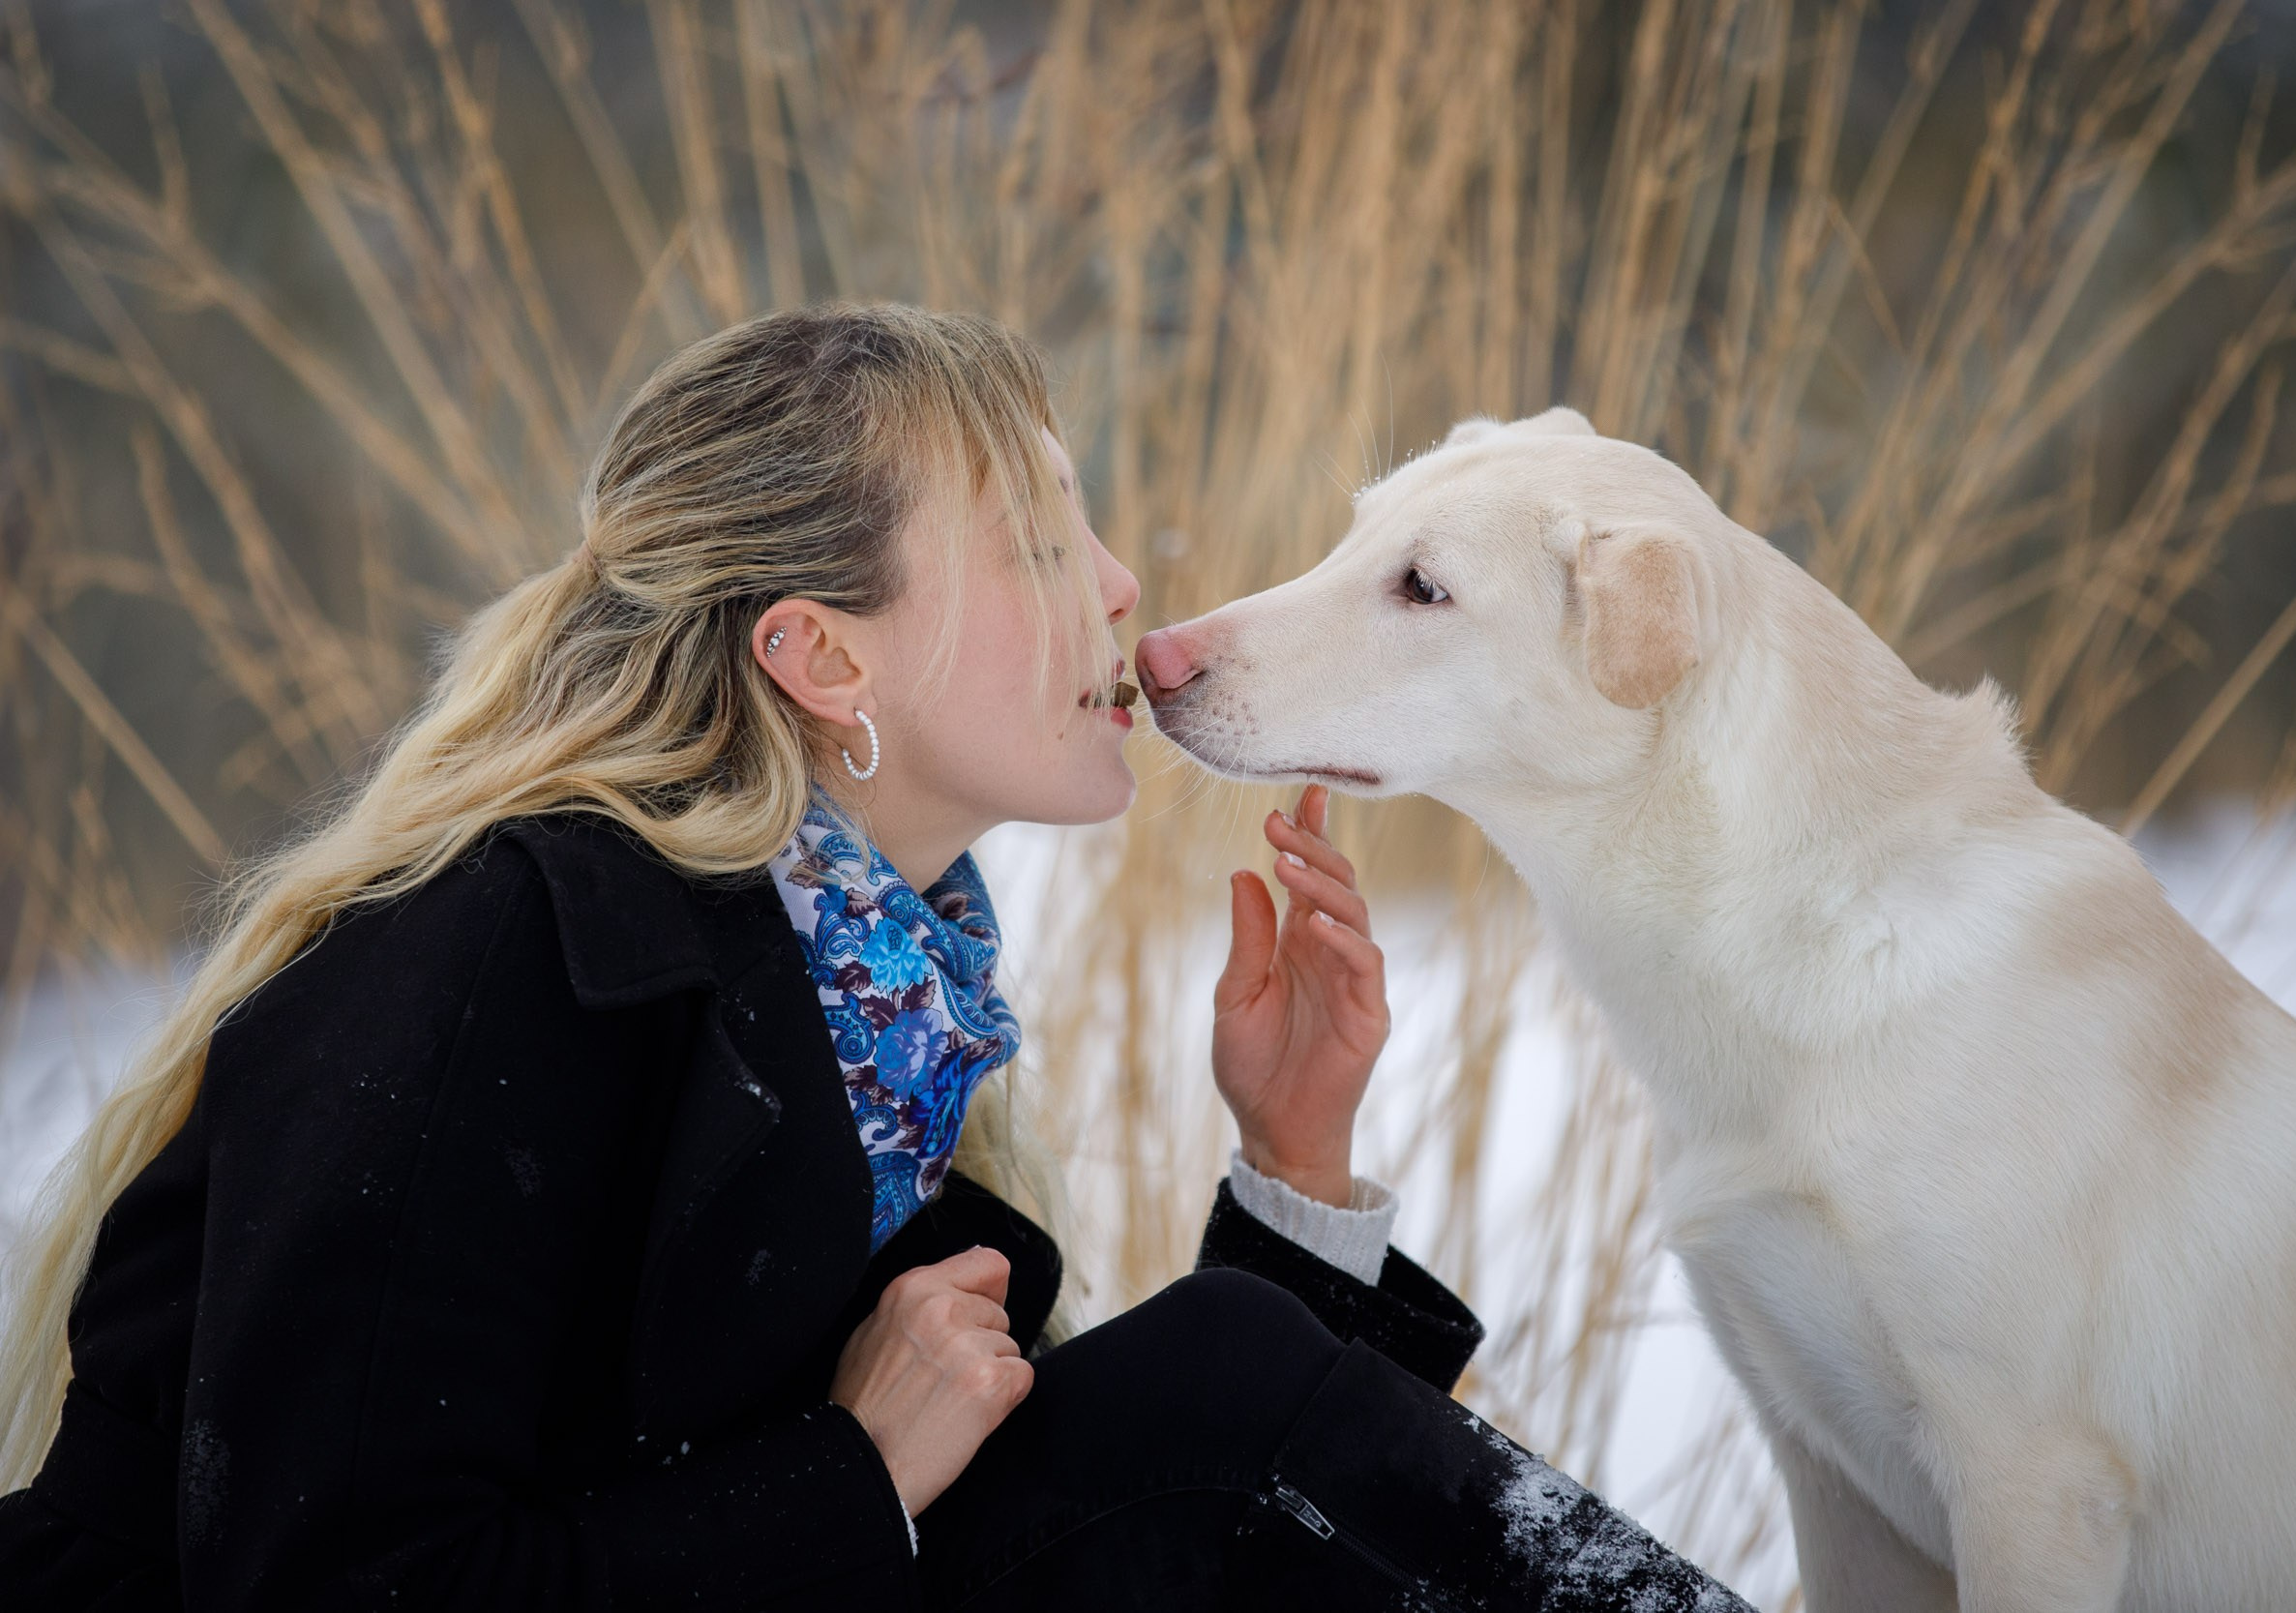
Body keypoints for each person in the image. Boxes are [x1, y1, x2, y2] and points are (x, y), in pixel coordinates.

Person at [0, 304, 1750, 1611]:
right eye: (1039, 540)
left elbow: (1094, 1542)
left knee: (1213, 1375)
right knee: (1210, 1380)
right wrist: (851, 1472)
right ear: (824, 659)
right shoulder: (494, 961)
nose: (1122, 583)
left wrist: (1294, 1172)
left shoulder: (870, 1013)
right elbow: (336, 1589)